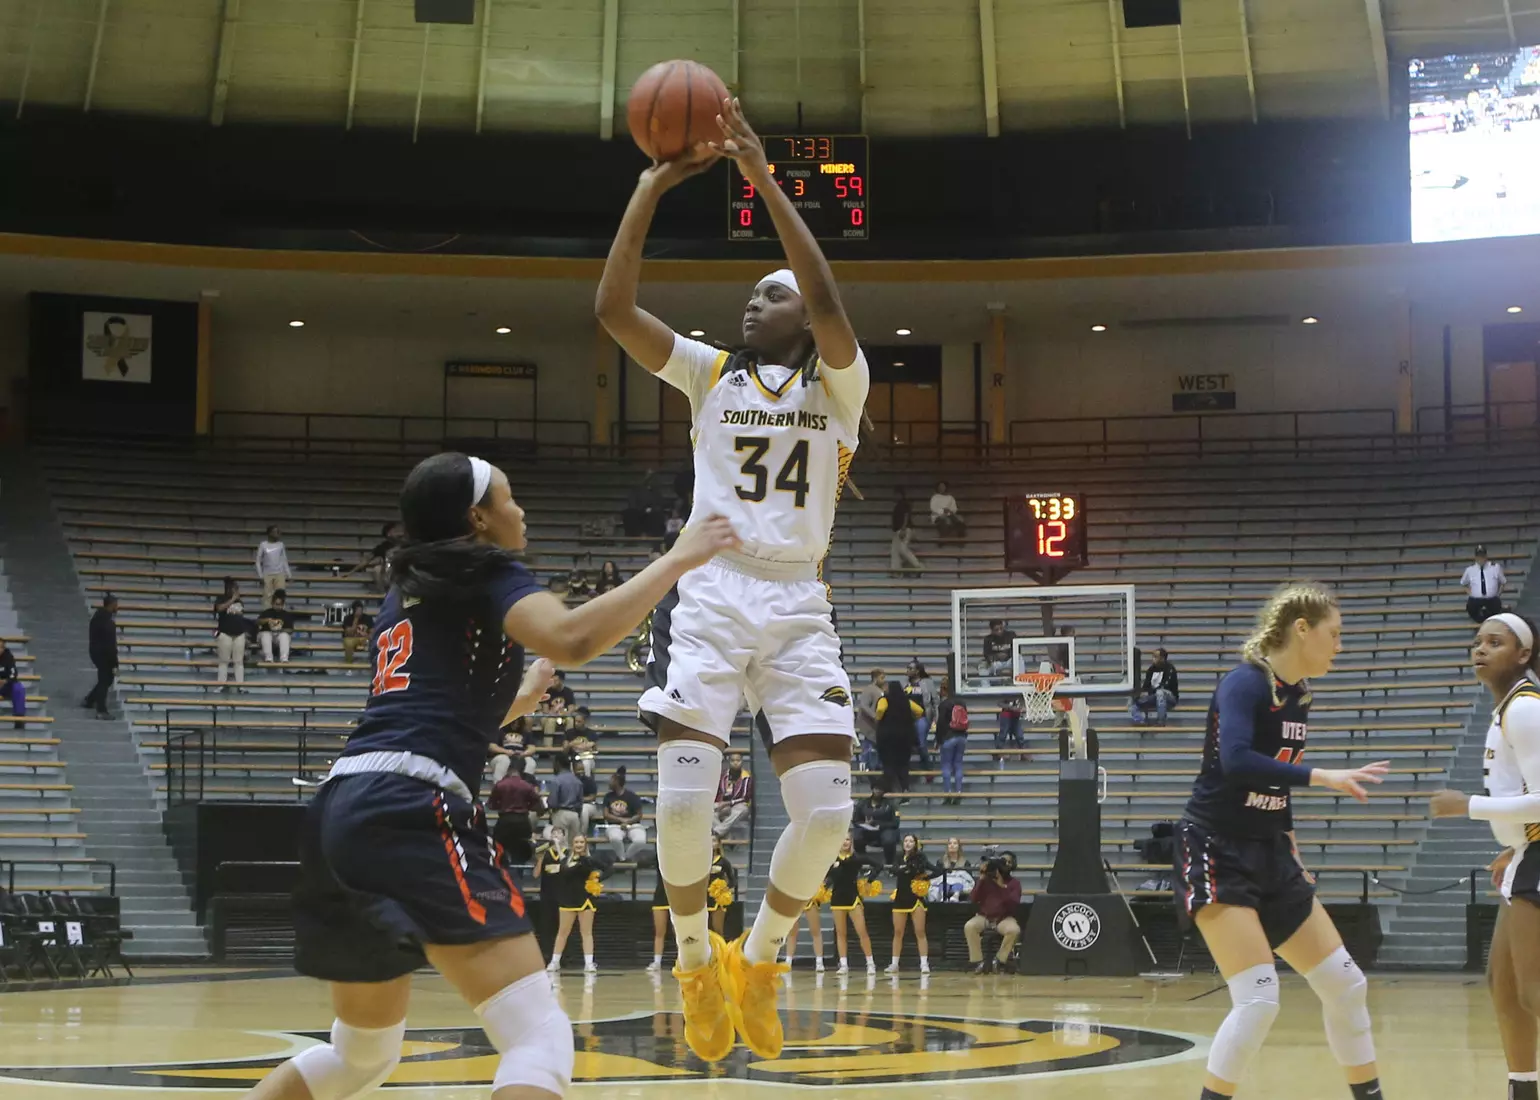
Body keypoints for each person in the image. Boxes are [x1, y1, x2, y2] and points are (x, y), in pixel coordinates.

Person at [243, 450, 736, 1100]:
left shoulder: (406, 589)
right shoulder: (483, 568)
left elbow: (423, 708)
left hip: (342, 808)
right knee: (538, 1037)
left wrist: (519, 703)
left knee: (358, 1055)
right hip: (410, 807)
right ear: (477, 518)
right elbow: (572, 638)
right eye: (509, 498)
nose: (521, 509)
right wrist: (678, 558)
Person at [596, 94, 868, 1062]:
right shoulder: (710, 373)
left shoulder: (840, 381)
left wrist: (759, 172)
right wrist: (647, 188)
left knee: (827, 813)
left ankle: (761, 956)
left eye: (774, 291)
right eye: (753, 292)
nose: (757, 299)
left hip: (797, 601)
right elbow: (614, 310)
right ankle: (692, 961)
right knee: (679, 804)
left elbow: (830, 299)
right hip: (712, 591)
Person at [1175, 582, 1389, 1100]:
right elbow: (1238, 762)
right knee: (1258, 998)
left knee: (1346, 984)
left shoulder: (1297, 695)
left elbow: (1276, 780)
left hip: (1270, 850)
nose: (1339, 645)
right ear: (1301, 629)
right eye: (1333, 634)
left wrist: (1291, 847)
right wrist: (1326, 776)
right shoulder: (1244, 684)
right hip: (1217, 848)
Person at [1429, 611, 1540, 1100]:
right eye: (1477, 641)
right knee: (1503, 982)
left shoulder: (1525, 708)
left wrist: (1466, 806)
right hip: (1526, 851)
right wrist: (1514, 844)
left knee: (1533, 991)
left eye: (1494, 642)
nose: (1480, 649)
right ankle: (1523, 1089)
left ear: (1523, 654)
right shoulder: (1508, 708)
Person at [826, 835, 880, 974]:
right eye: (842, 839)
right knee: (840, 933)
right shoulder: (832, 859)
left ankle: (870, 963)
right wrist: (825, 886)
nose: (845, 842)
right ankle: (843, 964)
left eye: (848, 839)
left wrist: (869, 881)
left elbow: (878, 865)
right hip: (837, 898)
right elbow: (829, 878)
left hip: (853, 898)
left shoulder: (857, 858)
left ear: (851, 842)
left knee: (862, 931)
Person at [548, 834, 601, 974]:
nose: (579, 844)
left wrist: (597, 879)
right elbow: (562, 871)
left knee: (586, 933)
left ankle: (589, 964)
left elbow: (609, 868)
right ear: (573, 844)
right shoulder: (566, 860)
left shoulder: (588, 860)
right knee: (562, 932)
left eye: (581, 842)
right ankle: (554, 962)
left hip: (585, 899)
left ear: (585, 844)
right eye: (576, 842)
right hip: (567, 899)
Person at [964, 851, 1022, 974]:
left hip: (1004, 917)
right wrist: (981, 879)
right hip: (984, 916)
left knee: (1014, 930)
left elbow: (1013, 904)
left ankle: (1000, 960)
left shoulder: (1014, 883)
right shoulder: (986, 881)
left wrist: (1001, 886)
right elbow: (973, 898)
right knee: (969, 926)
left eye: (1008, 862)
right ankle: (978, 962)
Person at [887, 834, 933, 974]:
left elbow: (936, 870)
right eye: (906, 841)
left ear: (915, 844)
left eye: (911, 841)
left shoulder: (920, 857)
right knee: (898, 932)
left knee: (919, 932)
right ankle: (894, 963)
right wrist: (902, 869)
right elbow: (893, 870)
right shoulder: (898, 857)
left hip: (915, 898)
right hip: (900, 897)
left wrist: (925, 879)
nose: (908, 843)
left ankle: (924, 964)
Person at [488, 756, 545, 865]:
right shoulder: (527, 786)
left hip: (504, 821)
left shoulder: (500, 785)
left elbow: (491, 805)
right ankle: (520, 875)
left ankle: (503, 873)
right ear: (523, 769)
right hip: (522, 821)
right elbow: (538, 806)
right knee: (522, 851)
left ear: (508, 768)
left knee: (499, 849)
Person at [875, 681, 922, 793]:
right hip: (905, 738)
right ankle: (905, 788)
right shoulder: (907, 701)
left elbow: (880, 710)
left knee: (888, 764)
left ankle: (888, 789)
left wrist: (878, 719)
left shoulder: (884, 700)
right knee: (904, 765)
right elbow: (920, 711)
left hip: (887, 738)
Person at [83, 594, 118, 719]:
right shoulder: (108, 622)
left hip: (96, 652)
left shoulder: (97, 617)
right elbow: (110, 645)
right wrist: (115, 663)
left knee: (106, 679)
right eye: (116, 604)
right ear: (111, 604)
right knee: (105, 681)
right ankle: (101, 711)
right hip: (104, 655)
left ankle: (90, 699)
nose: (117, 607)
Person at [601, 769, 647, 862]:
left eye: (611, 780)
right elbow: (606, 815)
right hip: (614, 825)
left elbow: (639, 815)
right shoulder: (608, 796)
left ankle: (626, 857)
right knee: (615, 838)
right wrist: (621, 820)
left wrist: (627, 822)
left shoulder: (632, 796)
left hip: (633, 825)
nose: (609, 782)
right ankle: (622, 859)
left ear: (617, 782)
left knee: (640, 841)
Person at [936, 676, 969, 805]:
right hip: (962, 736)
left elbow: (941, 724)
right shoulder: (961, 702)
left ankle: (948, 793)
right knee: (958, 764)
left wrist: (938, 740)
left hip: (948, 737)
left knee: (946, 766)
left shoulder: (944, 704)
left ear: (944, 690)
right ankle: (959, 791)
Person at [348, 521, 404, 594]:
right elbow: (367, 559)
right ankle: (382, 595)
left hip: (402, 574)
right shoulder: (383, 547)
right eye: (394, 530)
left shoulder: (406, 545)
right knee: (377, 569)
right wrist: (351, 572)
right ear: (388, 534)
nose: (399, 532)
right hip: (389, 574)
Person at [1129, 647, 1180, 726]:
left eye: (1155, 657)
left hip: (1170, 697)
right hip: (1154, 696)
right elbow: (1146, 685)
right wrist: (1141, 693)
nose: (1153, 659)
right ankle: (1140, 721)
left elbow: (1165, 685)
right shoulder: (1151, 669)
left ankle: (1161, 721)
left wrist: (1150, 692)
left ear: (1162, 658)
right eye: (1153, 656)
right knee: (1131, 700)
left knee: (1160, 692)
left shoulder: (1170, 668)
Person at [851, 782, 900, 866]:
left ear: (883, 792)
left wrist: (879, 824)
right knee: (857, 836)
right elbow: (855, 820)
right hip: (867, 830)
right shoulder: (862, 803)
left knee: (889, 839)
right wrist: (864, 823)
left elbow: (895, 823)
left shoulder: (891, 804)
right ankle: (862, 862)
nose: (878, 791)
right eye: (876, 789)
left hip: (884, 830)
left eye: (880, 789)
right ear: (872, 789)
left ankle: (889, 863)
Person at [213, 577, 248, 689]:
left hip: (239, 633)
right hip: (225, 633)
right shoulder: (220, 598)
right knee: (224, 660)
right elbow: (219, 609)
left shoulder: (241, 602)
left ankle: (240, 685)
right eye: (234, 588)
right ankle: (221, 684)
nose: (236, 591)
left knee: (239, 661)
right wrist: (232, 600)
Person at [905, 660, 937, 780]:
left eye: (910, 668)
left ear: (917, 671)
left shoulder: (927, 683)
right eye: (907, 668)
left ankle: (928, 768)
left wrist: (935, 719)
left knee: (921, 742)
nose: (908, 671)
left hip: (922, 717)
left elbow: (935, 702)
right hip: (907, 719)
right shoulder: (905, 684)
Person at [546, 753, 587, 843]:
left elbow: (553, 802)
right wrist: (577, 814)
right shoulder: (577, 781)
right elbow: (580, 802)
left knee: (560, 844)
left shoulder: (557, 780)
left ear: (558, 764)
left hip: (560, 813)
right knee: (574, 845)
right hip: (574, 814)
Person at [1464, 544, 1508, 624]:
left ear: (1486, 556)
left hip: (1491, 600)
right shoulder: (1470, 570)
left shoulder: (1495, 567)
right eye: (1479, 556)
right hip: (1476, 600)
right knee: (1471, 607)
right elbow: (1464, 583)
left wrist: (1498, 594)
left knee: (1495, 607)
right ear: (1475, 557)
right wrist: (1470, 594)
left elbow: (1503, 582)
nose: (1481, 559)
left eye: (1482, 556)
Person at [713, 752, 754, 837]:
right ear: (729, 762)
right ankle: (723, 834)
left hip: (739, 805)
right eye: (733, 760)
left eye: (738, 760)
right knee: (708, 810)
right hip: (723, 803)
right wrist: (720, 803)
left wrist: (729, 803)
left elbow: (745, 798)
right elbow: (719, 792)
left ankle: (717, 832)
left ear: (742, 761)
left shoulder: (746, 777)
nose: (735, 762)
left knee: (741, 810)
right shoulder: (724, 776)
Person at [707, 837, 738, 938]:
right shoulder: (701, 861)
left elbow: (733, 881)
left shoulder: (723, 861)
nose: (712, 843)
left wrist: (724, 888)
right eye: (709, 841)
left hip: (717, 899)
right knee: (703, 931)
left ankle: (720, 953)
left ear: (718, 844)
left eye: (714, 841)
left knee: (717, 930)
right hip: (703, 898)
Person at [855, 668, 884, 774]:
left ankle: (878, 765)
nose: (884, 680)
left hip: (877, 724)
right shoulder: (869, 690)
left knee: (877, 747)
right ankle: (863, 767)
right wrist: (874, 716)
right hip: (869, 723)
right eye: (882, 678)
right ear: (876, 678)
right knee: (867, 747)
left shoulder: (879, 690)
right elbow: (863, 705)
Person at [255, 525, 292, 605]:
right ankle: (267, 615)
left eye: (278, 532)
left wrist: (289, 575)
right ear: (270, 533)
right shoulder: (263, 545)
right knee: (267, 597)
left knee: (280, 595)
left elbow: (284, 560)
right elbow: (258, 561)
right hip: (267, 574)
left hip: (279, 574)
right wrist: (260, 576)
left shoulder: (281, 545)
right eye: (276, 532)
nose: (278, 534)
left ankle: (281, 614)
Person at [257, 590, 296, 664]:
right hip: (266, 635)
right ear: (272, 603)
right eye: (276, 604)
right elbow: (257, 622)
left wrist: (279, 629)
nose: (278, 606)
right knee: (265, 634)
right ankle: (268, 658)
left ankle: (284, 659)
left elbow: (290, 630)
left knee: (284, 635)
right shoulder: (267, 612)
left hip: (278, 636)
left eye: (280, 604)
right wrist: (267, 620)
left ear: (283, 604)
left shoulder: (286, 614)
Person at [889, 487, 923, 573]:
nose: (894, 496)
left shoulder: (904, 504)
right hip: (897, 531)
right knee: (894, 551)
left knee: (902, 549)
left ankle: (918, 566)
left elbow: (906, 516)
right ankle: (896, 570)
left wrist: (903, 528)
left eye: (896, 494)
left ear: (900, 495)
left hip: (904, 529)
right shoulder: (897, 505)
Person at [936, 836, 975, 901]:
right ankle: (943, 897)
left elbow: (968, 878)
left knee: (959, 881)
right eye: (950, 843)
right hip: (944, 884)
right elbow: (938, 876)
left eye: (955, 843)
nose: (952, 845)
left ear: (959, 847)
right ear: (947, 846)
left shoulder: (965, 862)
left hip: (960, 885)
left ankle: (955, 896)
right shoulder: (941, 861)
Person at [340, 600, 373, 664]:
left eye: (361, 610)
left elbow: (373, 633)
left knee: (374, 641)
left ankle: (371, 664)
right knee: (348, 643)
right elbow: (349, 633)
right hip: (351, 638)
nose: (360, 612)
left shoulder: (368, 618)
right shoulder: (348, 618)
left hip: (364, 639)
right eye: (358, 610)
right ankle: (348, 664)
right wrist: (356, 618)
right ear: (353, 610)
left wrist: (366, 635)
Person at [0, 638, 26, 718]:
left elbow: (13, 673)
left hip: (5, 685)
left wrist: (6, 681)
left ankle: (19, 717)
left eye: (1, 647)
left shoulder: (8, 657)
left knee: (18, 688)